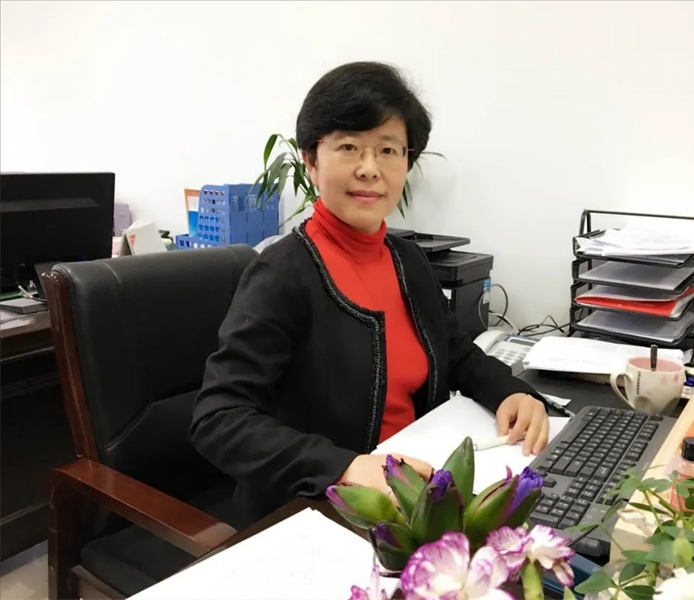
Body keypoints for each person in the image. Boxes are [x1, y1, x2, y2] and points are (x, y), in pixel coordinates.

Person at [189, 61, 550, 525]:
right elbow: (218, 418)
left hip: (415, 492)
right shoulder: (282, 274)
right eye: (348, 147)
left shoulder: (407, 260)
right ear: (311, 161)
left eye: (388, 150)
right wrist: (344, 467)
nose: (369, 169)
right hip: (318, 508)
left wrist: (510, 392)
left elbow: (456, 353)